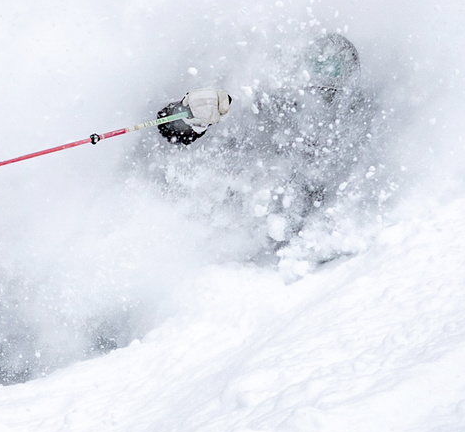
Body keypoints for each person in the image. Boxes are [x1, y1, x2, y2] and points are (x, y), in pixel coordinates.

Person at [149, 33, 382, 263]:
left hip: (286, 265)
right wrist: (187, 115)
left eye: (330, 97)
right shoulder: (266, 112)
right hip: (220, 245)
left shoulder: (357, 133)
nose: (318, 110)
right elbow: (173, 135)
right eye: (313, 95)